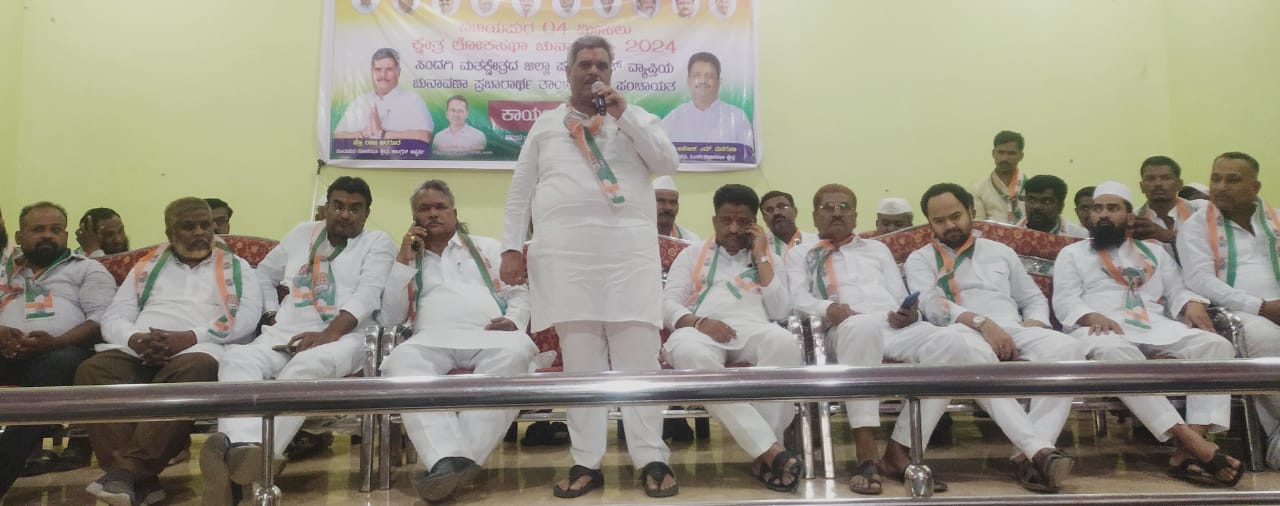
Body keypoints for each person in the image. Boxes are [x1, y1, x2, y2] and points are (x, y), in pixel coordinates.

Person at [786, 184, 1073, 495]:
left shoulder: (877, 249)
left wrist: (907, 313)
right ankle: (866, 456)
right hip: (843, 329)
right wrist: (828, 308)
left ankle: (901, 450)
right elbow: (797, 299)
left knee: (957, 346)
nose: (837, 212)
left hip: (893, 327)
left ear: (856, 215)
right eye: (827, 207)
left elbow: (900, 296)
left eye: (844, 207)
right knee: (863, 327)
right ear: (813, 215)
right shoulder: (802, 253)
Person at [499, 35, 680, 499]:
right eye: (584, 64)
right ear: (568, 72)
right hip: (567, 263)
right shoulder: (545, 126)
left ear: (612, 71)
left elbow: (667, 161)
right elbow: (520, 191)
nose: (593, 71)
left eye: (601, 64)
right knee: (581, 366)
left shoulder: (635, 118)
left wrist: (626, 115)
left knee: (640, 362)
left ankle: (652, 458)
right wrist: (511, 248)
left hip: (628, 260)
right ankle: (586, 462)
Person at [200, 177, 395, 505]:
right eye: (338, 206)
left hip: (347, 337)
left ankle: (245, 465)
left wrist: (327, 335)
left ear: (366, 213)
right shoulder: (302, 233)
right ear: (326, 207)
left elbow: (368, 295)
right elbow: (264, 273)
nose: (345, 214)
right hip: (285, 334)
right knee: (236, 359)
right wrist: (272, 312)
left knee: (305, 368)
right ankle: (243, 453)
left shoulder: (378, 242)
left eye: (355, 208)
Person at [1054, 181, 1243, 487]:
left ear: (1130, 216)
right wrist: (1091, 315)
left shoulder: (1155, 252)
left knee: (1216, 346)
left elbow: (1178, 289)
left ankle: (1188, 449)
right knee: (1115, 352)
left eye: (1112, 208)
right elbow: (1065, 300)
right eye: (1097, 209)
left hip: (1155, 324)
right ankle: (1192, 443)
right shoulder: (1072, 253)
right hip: (1100, 327)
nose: (1103, 214)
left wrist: (1192, 302)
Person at [75, 198, 263, 506]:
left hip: (199, 348)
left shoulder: (237, 267)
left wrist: (188, 337)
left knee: (196, 369)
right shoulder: (147, 265)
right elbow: (115, 316)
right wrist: (135, 339)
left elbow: (246, 318)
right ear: (169, 231)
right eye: (189, 226)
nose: (200, 232)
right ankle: (141, 481)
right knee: (92, 371)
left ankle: (125, 474)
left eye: (205, 225)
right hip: (142, 348)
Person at [906, 183, 1083, 492]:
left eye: (955, 216)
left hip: (1013, 329)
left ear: (971, 212)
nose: (949, 225)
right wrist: (981, 323)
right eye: (939, 221)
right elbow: (931, 306)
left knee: (1067, 349)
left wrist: (1036, 322)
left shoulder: (1001, 252)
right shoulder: (920, 259)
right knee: (977, 358)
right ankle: (1039, 454)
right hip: (960, 333)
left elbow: (1032, 298)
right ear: (929, 223)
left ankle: (1026, 455)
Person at [377, 180, 536, 501]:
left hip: (490, 335)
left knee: (517, 354)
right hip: (429, 338)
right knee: (400, 364)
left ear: (454, 212)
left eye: (440, 207)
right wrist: (403, 262)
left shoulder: (487, 247)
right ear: (414, 217)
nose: (433, 213)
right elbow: (390, 317)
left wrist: (515, 321)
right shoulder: (406, 257)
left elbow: (519, 293)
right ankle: (455, 460)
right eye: (424, 208)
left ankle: (449, 462)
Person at [662, 184, 802, 491]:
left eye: (743, 221)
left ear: (754, 223)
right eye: (727, 220)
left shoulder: (768, 257)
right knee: (687, 352)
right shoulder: (692, 253)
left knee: (785, 343)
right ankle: (770, 452)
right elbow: (667, 304)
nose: (734, 229)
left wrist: (761, 255)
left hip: (754, 329)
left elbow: (781, 309)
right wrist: (699, 322)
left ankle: (765, 453)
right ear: (715, 221)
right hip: (701, 331)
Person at [0, 202, 116, 495]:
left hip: (62, 353)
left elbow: (101, 319)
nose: (48, 236)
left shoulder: (88, 269)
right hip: (5, 351)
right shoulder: (4, 270)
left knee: (57, 365)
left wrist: (57, 341)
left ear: (65, 235)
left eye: (55, 230)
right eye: (38, 229)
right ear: (20, 235)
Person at [1177, 152, 1280, 467]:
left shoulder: (1276, 220)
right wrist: (1260, 306)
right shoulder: (1196, 225)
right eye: (1216, 178)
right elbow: (1200, 280)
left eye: (1232, 180)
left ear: (1255, 186)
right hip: (1237, 312)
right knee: (1265, 338)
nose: (1221, 187)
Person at [333, 48, 433, 144]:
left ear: (398, 71)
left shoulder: (413, 100)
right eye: (378, 69)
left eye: (389, 69)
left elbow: (424, 137)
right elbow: (337, 137)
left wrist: (382, 134)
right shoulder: (360, 101)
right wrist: (363, 134)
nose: (383, 75)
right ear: (372, 71)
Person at [662, 52, 754, 148]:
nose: (703, 81)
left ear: (719, 82)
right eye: (697, 75)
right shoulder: (672, 119)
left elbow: (747, 154)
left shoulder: (737, 117)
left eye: (709, 76)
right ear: (688, 81)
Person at [1133, 156, 1206, 244]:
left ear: (1180, 184)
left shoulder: (1201, 210)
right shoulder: (1134, 221)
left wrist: (1168, 235)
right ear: (1141, 187)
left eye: (1166, 178)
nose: (1158, 184)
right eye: (1150, 179)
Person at [972, 130, 1027, 223]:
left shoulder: (1030, 188)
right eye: (1001, 152)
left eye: (1011, 153)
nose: (1005, 158)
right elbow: (978, 224)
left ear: (1021, 156)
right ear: (993, 153)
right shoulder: (978, 188)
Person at [1019, 175, 1089, 238]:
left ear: (1061, 206)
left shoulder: (1079, 236)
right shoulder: (1013, 231)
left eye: (1046, 202)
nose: (1037, 207)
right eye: (1032, 200)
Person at [759, 190, 817, 258]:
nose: (776, 213)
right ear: (764, 219)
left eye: (782, 206)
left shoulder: (815, 242)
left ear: (795, 211)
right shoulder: (760, 249)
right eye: (769, 210)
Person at [654, 176, 700, 241]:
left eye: (673, 202)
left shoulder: (691, 240)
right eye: (661, 201)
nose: (668, 207)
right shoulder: (639, 235)